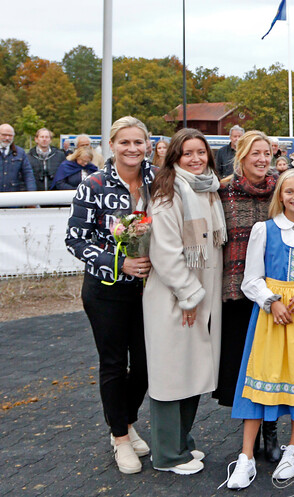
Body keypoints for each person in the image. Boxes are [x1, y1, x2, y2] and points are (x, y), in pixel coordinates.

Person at [224, 169, 294, 488]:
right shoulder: (265, 229)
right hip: (273, 315)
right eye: (290, 192)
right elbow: (250, 279)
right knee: (261, 378)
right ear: (280, 196)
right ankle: (246, 456)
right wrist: (271, 301)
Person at [65, 115, 155, 475]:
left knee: (147, 364)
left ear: (147, 145)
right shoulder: (94, 184)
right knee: (115, 363)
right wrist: (118, 264)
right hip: (106, 289)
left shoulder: (157, 181)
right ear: (112, 145)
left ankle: (127, 420)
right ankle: (120, 436)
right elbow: (75, 239)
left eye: (138, 142)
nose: (132, 149)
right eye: (125, 142)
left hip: (150, 290)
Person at [143, 128, 225, 475]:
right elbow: (166, 252)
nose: (195, 159)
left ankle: (182, 442)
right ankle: (166, 455)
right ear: (174, 157)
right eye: (187, 153)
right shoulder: (167, 194)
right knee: (171, 374)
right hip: (175, 297)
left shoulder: (208, 189)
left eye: (201, 152)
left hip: (203, 294)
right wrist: (188, 296)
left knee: (194, 370)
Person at [215, 130, 280, 462]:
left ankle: (272, 432)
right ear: (241, 156)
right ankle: (249, 438)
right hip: (235, 292)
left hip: (273, 294)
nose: (261, 159)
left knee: (270, 367)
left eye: (266, 153)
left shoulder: (280, 191)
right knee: (243, 368)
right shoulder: (222, 191)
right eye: (255, 153)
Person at [0, 123, 36, 192]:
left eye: (10, 135)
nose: (7, 138)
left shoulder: (20, 152)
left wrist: (32, 194)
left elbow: (28, 174)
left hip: (13, 195)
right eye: (4, 135)